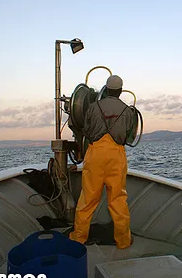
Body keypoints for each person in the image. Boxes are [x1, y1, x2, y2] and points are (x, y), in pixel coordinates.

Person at [69, 75, 135, 249]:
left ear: (106, 89)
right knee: (118, 200)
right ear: (120, 91)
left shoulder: (92, 107)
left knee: (88, 199)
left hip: (95, 155)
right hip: (116, 155)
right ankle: (123, 241)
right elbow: (129, 134)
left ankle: (78, 238)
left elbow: (87, 130)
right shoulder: (127, 110)